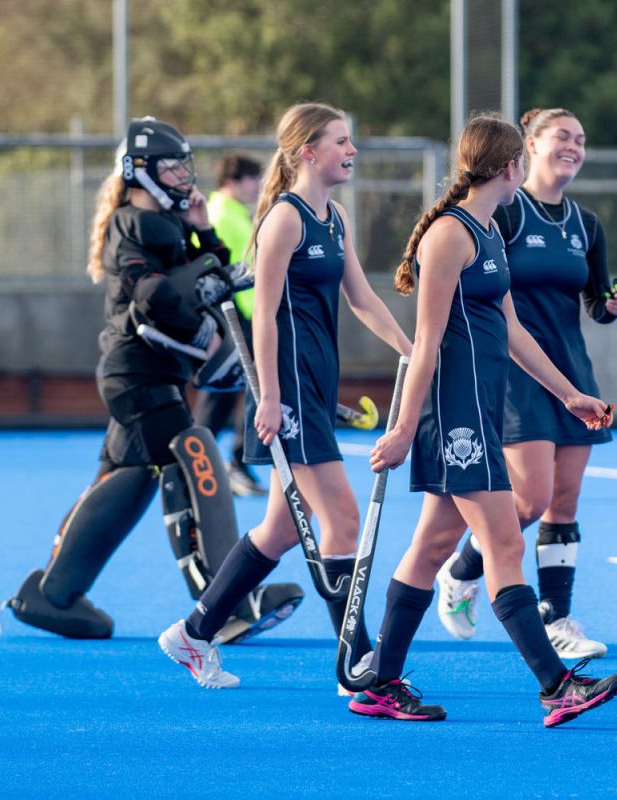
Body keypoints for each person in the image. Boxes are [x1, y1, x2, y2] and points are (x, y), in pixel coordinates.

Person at [349, 114, 617, 726]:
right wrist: (402, 428)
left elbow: (515, 332)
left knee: (431, 548)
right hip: (456, 418)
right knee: (503, 543)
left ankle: (381, 684)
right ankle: (556, 687)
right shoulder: (447, 237)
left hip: (477, 411)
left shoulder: (489, 234)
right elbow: (425, 344)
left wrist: (571, 393)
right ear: (510, 167)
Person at [9, 117, 302, 643]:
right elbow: (154, 295)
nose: (182, 176)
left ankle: (52, 596)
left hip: (151, 374)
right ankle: (225, 601)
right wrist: (208, 317)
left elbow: (213, 271)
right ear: (139, 172)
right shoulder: (132, 224)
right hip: (136, 374)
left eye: (183, 165)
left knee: (124, 481)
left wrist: (204, 231)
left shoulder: (168, 225)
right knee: (197, 454)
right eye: (170, 167)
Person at [158, 103, 413, 690]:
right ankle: (358, 665)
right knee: (343, 519)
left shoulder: (335, 218)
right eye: (341, 141)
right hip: (289, 391)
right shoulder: (284, 220)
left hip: (317, 388)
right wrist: (269, 398)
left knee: (277, 530)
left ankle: (194, 633)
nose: (351, 151)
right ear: (308, 152)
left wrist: (411, 348)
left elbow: (362, 299)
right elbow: (265, 317)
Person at [436, 108, 617, 660]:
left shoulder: (585, 224)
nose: (574, 146)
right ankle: (460, 570)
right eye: (563, 137)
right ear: (530, 146)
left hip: (571, 370)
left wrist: (612, 305)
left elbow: (596, 299)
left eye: (582, 139)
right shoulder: (506, 210)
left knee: (564, 503)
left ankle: (558, 619)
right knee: (529, 498)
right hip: (518, 374)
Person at [194, 151, 267, 497]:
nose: (257, 186)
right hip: (232, 316)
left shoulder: (236, 213)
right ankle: (199, 463)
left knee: (244, 392)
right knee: (225, 392)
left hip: (246, 314)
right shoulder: (221, 214)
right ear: (234, 180)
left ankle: (235, 461)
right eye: (253, 179)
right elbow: (218, 269)